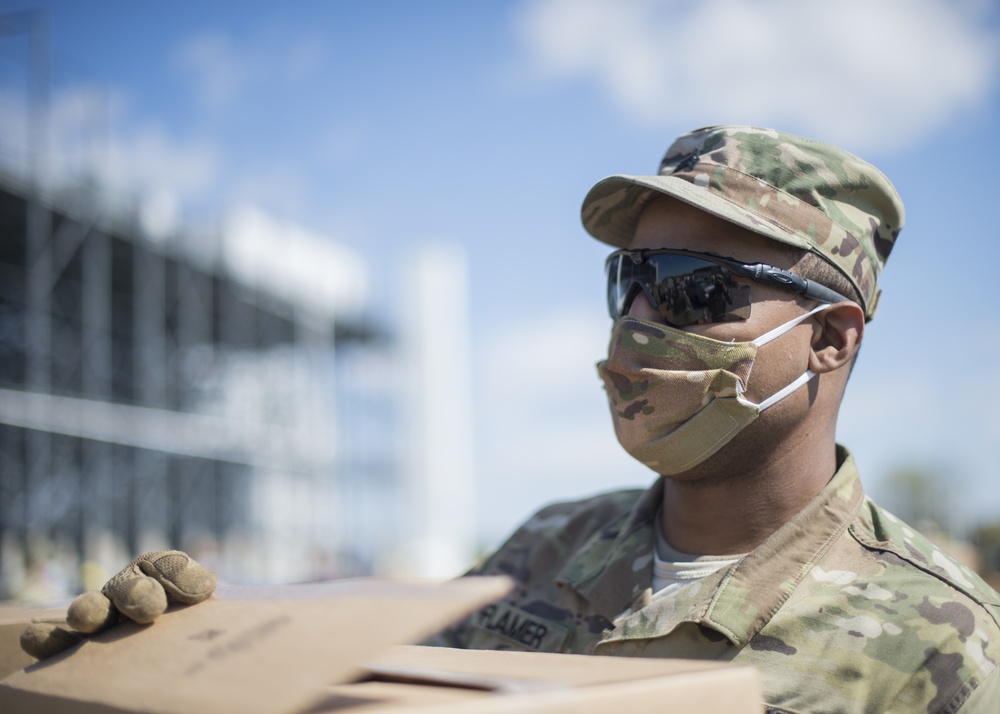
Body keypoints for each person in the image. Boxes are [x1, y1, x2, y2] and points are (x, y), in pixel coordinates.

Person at [427, 125, 1000, 713]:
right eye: (632, 279)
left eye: (692, 286)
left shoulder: (948, 649)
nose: (637, 321)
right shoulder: (542, 549)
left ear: (829, 337)